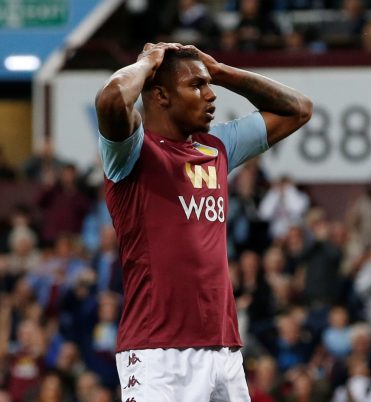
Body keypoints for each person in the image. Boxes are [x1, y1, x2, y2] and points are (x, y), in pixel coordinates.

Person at [94, 42, 312, 401]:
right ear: (160, 95)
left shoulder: (216, 146)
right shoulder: (132, 152)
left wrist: (221, 70)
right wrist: (147, 63)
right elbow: (111, 99)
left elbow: (299, 109)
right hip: (157, 353)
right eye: (197, 85)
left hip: (223, 349)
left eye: (208, 84)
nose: (211, 95)